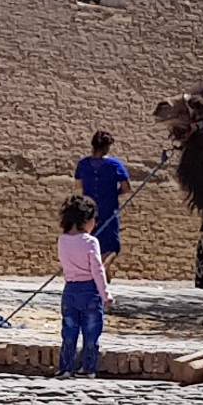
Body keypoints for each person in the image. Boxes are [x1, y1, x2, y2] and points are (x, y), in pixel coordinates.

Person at [55, 194, 112, 378]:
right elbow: (97, 270)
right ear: (86, 219)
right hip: (90, 291)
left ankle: (65, 367)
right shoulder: (90, 241)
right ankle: (88, 368)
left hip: (70, 289)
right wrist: (105, 295)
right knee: (91, 333)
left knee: (69, 332)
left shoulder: (62, 240)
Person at [72, 130, 131, 263]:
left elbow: (78, 186)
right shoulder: (115, 165)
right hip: (109, 211)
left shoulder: (83, 164)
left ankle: (97, 270)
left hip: (89, 212)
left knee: (89, 243)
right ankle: (103, 267)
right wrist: (114, 193)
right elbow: (126, 188)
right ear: (106, 147)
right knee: (112, 247)